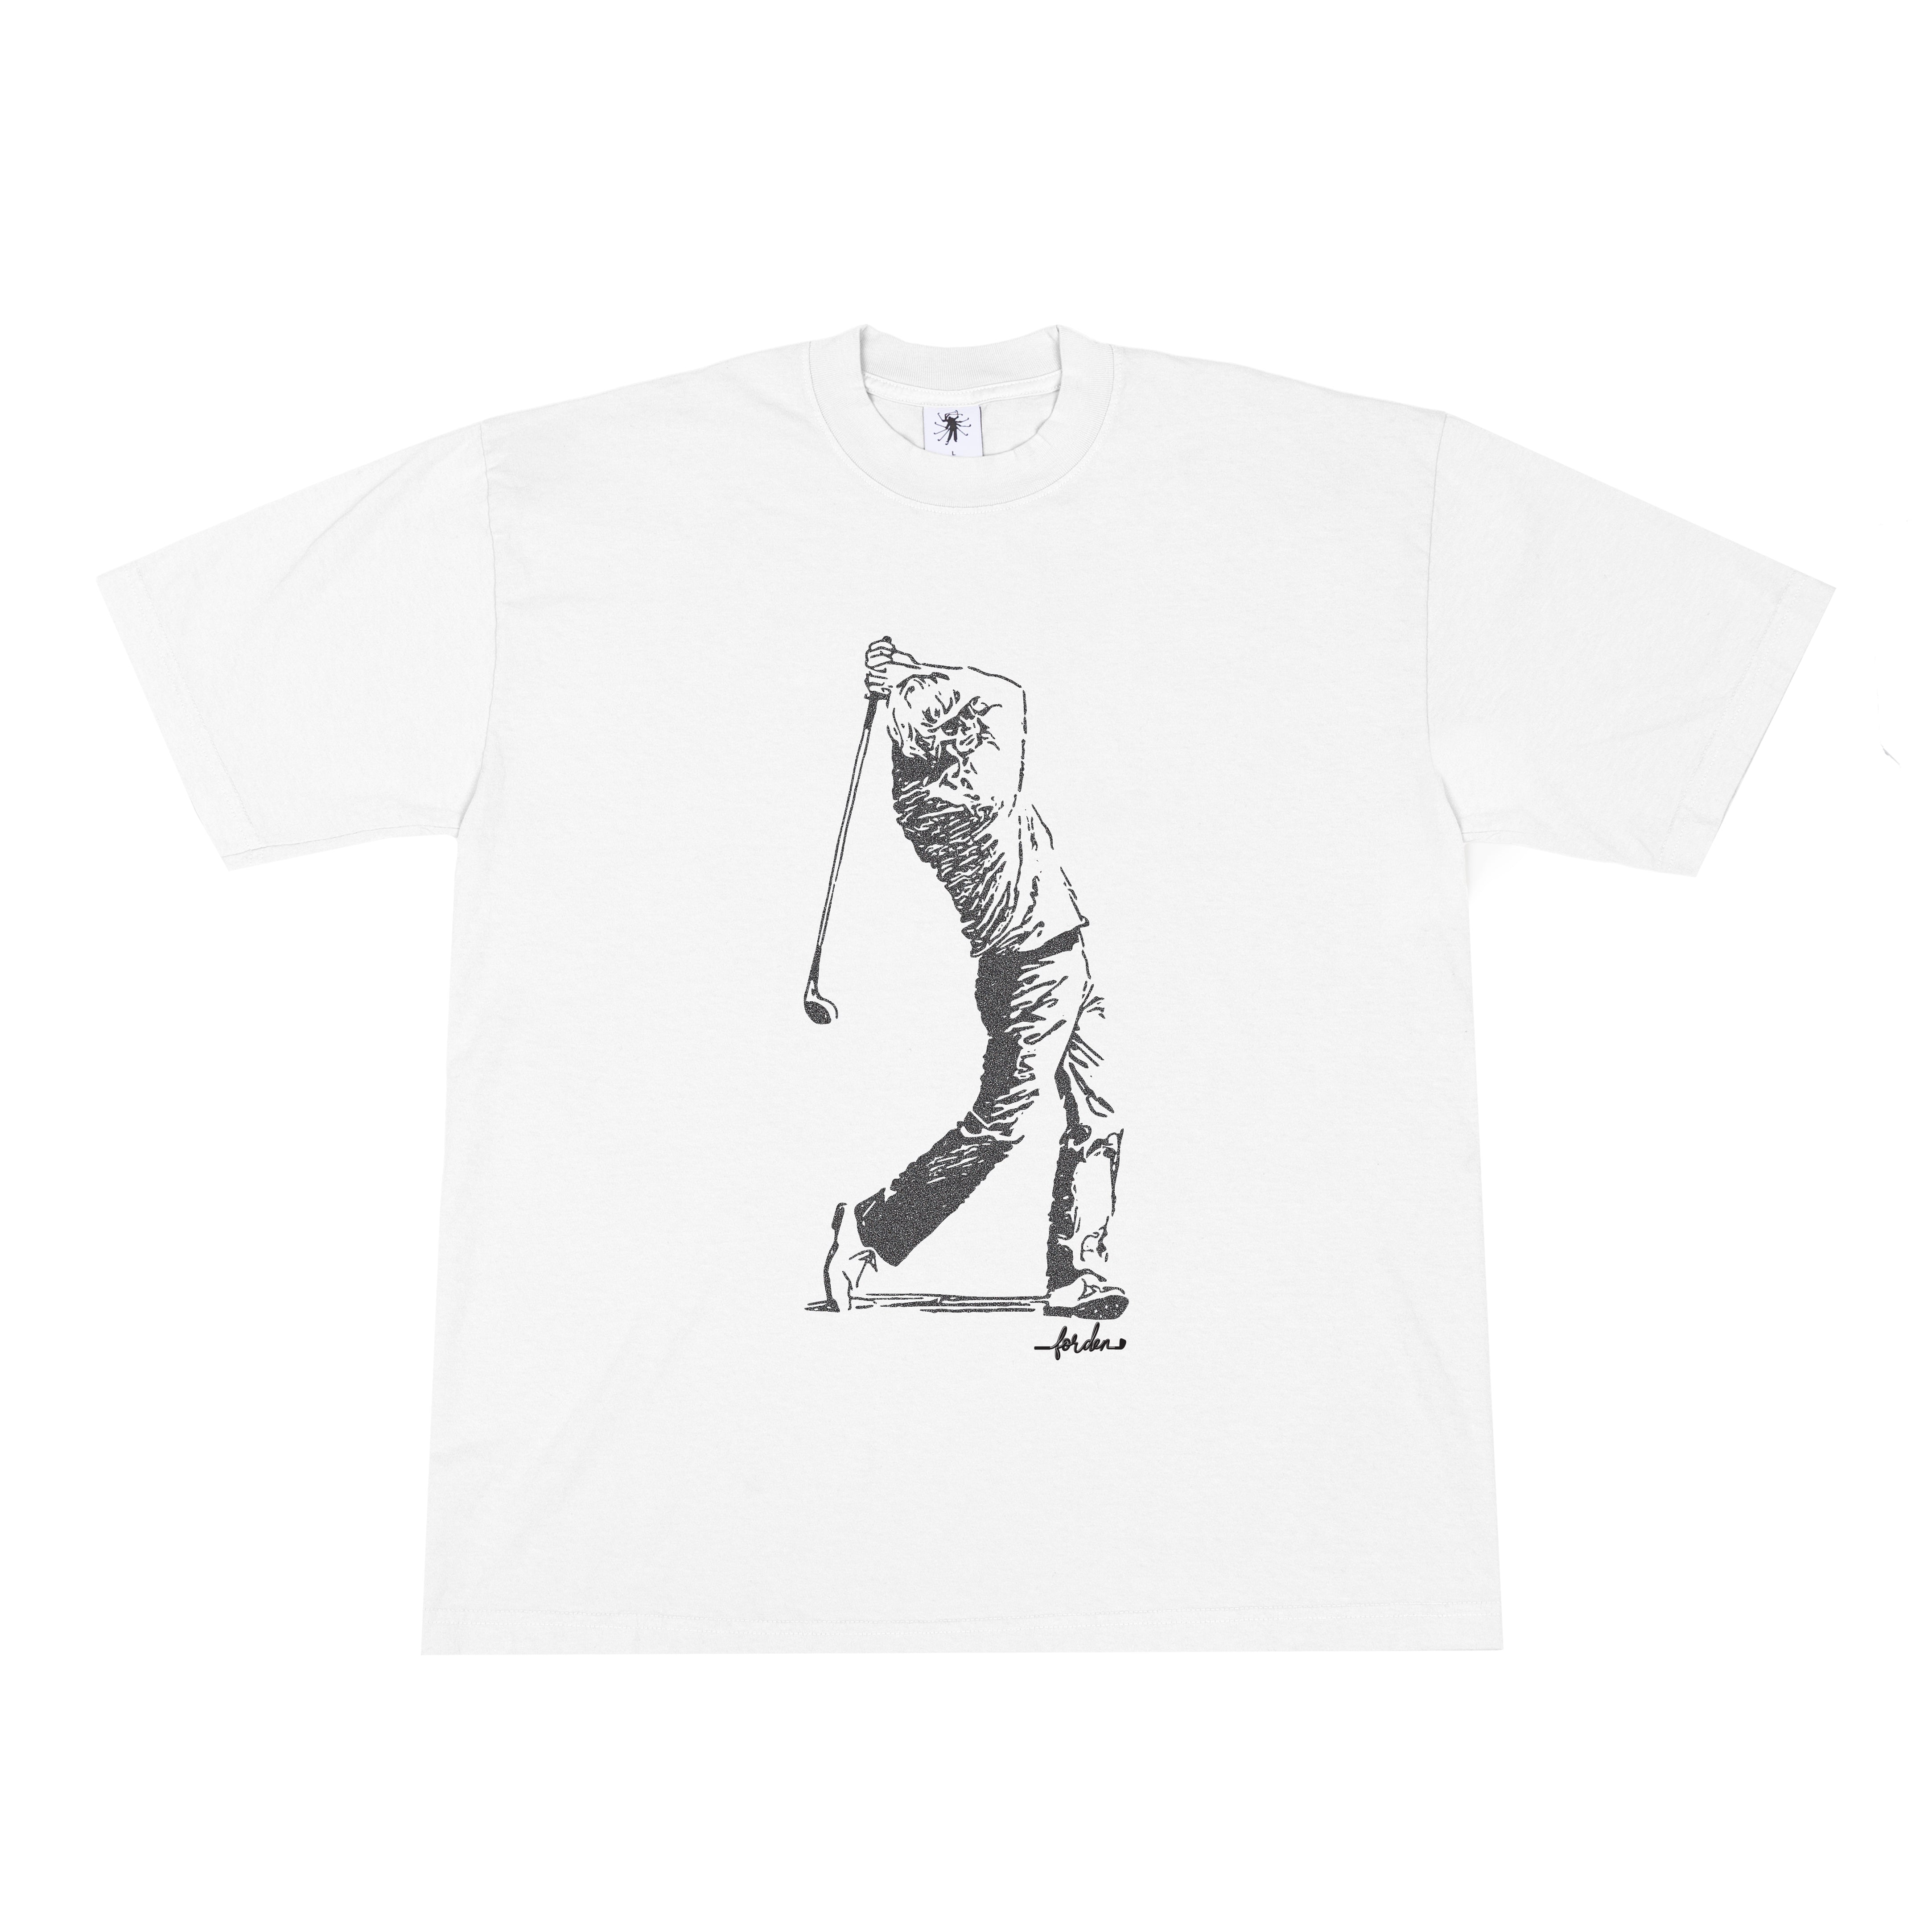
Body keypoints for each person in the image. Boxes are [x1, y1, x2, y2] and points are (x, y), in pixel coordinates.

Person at [822, 637, 1125, 1320]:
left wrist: (901, 684)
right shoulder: (974, 790)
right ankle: (869, 1227)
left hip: (1060, 955)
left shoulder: (914, 784)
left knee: (1099, 1116)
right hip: (1030, 969)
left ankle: (1078, 1272)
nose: (971, 729)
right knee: (999, 1127)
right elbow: (1006, 694)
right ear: (943, 740)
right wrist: (913, 671)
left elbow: (952, 716)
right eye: (957, 724)